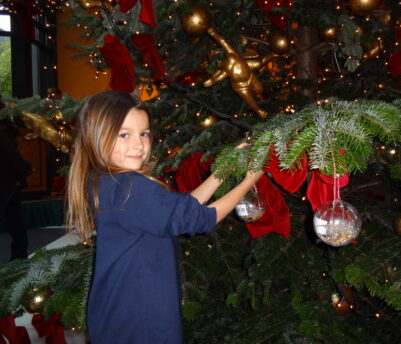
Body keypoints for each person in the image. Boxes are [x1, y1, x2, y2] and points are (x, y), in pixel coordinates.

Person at [65, 90, 263, 344]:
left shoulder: (107, 181)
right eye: (124, 134)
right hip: (141, 316)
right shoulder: (129, 187)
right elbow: (200, 218)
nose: (138, 145)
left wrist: (224, 170)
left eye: (144, 134)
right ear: (97, 136)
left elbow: (182, 208)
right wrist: (251, 178)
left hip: (118, 309)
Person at [0, 117, 32, 260]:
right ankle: (19, 258)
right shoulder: (6, 126)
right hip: (10, 181)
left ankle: (19, 258)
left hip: (6, 182)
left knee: (15, 222)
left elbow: (12, 154)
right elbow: (13, 154)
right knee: (16, 222)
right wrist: (25, 169)